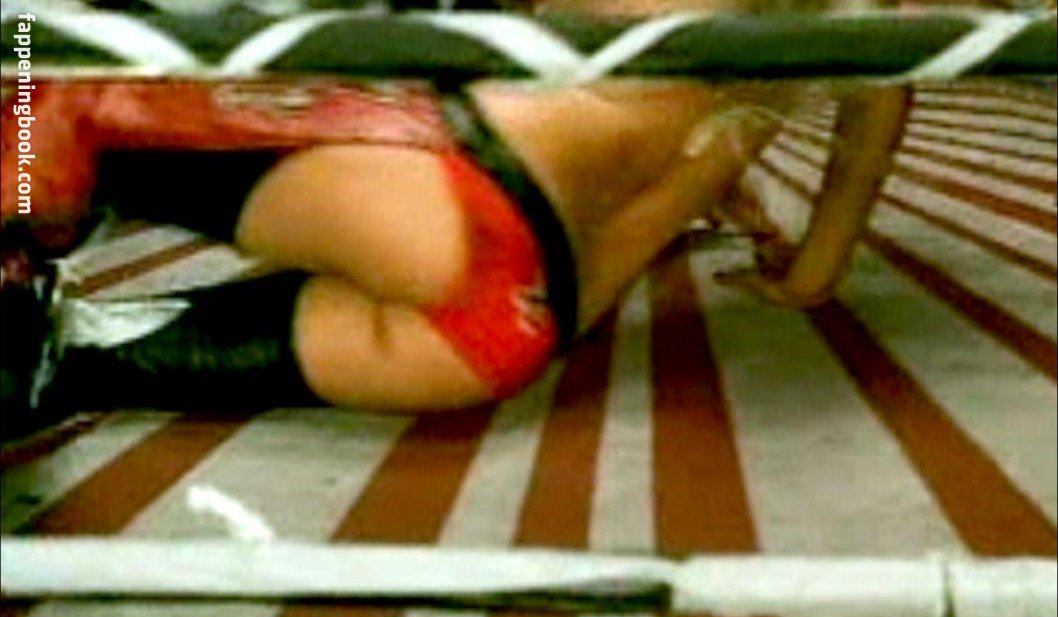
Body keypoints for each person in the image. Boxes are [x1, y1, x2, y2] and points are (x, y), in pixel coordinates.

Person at [0, 4, 911, 441]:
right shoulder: (866, 29)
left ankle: (31, 220)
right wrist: (785, 249)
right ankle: (38, 314)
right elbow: (822, 251)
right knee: (57, 361)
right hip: (514, 327)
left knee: (48, 96)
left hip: (454, 187)